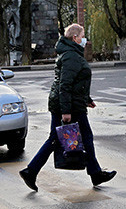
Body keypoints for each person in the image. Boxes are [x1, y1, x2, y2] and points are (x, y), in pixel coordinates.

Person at [20, 24, 115, 191]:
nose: (84, 39)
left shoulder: (71, 53)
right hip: (68, 106)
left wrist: (86, 99)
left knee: (56, 139)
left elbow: (76, 83)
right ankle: (95, 173)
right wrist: (66, 111)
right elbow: (65, 85)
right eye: (82, 36)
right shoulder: (71, 55)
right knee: (84, 137)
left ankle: (31, 171)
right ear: (75, 38)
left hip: (70, 103)